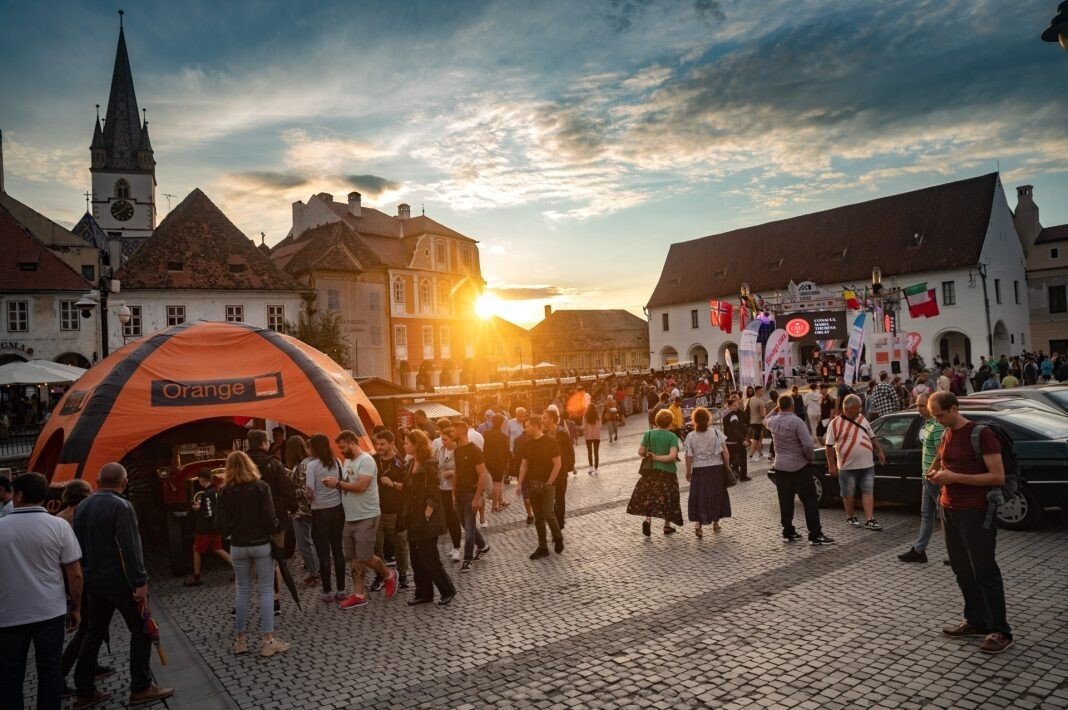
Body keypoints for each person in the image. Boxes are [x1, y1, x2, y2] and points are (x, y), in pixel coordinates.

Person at [73, 463, 173, 706]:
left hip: (94, 580)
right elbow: (131, 547)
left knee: (93, 633)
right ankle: (141, 686)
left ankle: (84, 690)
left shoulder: (83, 506)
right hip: (121, 582)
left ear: (98, 482)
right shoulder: (122, 506)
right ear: (125, 483)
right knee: (141, 630)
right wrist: (140, 582)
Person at [926, 391, 1013, 654]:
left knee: (985, 570)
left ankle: (1001, 631)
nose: (937, 420)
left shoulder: (981, 435)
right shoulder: (946, 434)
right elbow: (942, 464)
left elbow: (997, 476)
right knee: (961, 569)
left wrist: (954, 477)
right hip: (949, 509)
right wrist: (935, 473)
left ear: (954, 408)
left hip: (976, 512)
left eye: (940, 415)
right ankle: (976, 620)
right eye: (933, 416)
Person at [0, 472, 84, 710]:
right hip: (49, 611)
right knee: (49, 670)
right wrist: (76, 607)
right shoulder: (59, 525)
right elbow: (75, 574)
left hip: (8, 613)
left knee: (9, 675)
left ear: (18, 495)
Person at [216, 451, 289, 657]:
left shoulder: (224, 492)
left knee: (242, 590)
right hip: (261, 543)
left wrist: (231, 532)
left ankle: (241, 641)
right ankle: (268, 641)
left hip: (238, 545)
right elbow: (269, 518)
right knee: (266, 590)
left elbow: (220, 524)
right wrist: (275, 527)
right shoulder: (261, 487)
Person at [323, 430, 397, 608]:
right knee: (354, 557)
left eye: (343, 448)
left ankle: (389, 575)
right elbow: (348, 483)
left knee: (364, 556)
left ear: (352, 443)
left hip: (367, 515)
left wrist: (337, 484)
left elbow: (362, 486)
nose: (341, 451)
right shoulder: (348, 461)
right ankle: (359, 594)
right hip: (350, 516)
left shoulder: (366, 461)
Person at [764, 397, 833, 545]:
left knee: (785, 501)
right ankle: (815, 534)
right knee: (810, 500)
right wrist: (810, 458)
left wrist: (776, 409)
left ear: (779, 406)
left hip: (780, 466)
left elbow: (765, 419)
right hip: (799, 466)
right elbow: (807, 444)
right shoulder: (797, 422)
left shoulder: (773, 422)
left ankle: (788, 531)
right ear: (793, 406)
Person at [401, 430, 455, 605]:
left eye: (407, 443)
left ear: (416, 444)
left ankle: (447, 590)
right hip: (413, 517)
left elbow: (434, 494)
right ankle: (424, 593)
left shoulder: (429, 465)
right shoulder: (410, 463)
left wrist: (427, 515)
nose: (404, 445)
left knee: (429, 558)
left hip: (425, 519)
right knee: (416, 559)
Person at [246, 429, 296, 616]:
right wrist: (292, 507)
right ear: (263, 443)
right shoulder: (273, 463)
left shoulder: (241, 463)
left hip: (249, 519)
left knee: (250, 561)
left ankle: (244, 599)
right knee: (275, 559)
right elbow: (286, 489)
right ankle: (274, 600)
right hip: (274, 516)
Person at [824, 394, 886, 531]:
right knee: (848, 493)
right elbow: (828, 446)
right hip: (847, 466)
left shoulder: (862, 419)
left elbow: (872, 436)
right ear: (846, 409)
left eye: (860, 408)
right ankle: (851, 517)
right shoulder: (835, 423)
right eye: (856, 408)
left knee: (868, 491)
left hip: (867, 464)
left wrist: (879, 451)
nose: (859, 411)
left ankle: (870, 519)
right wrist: (831, 465)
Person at [899, 393, 946, 563]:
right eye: (917, 405)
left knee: (946, 516)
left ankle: (957, 552)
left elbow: (941, 455)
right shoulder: (927, 425)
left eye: (922, 405)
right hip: (927, 477)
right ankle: (919, 550)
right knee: (927, 514)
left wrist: (932, 472)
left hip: (935, 478)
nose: (918, 408)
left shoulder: (937, 426)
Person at [628, 409, 684, 536]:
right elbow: (672, 456)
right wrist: (658, 457)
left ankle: (648, 520)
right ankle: (667, 525)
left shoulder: (648, 434)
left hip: (651, 472)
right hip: (667, 472)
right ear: (670, 422)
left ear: (657, 421)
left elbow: (641, 452)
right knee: (668, 498)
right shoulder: (672, 437)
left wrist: (651, 456)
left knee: (649, 496)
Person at [305, 433, 347, 602]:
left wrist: (306, 496)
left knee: (323, 552)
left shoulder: (311, 466)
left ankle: (327, 591)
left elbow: (310, 491)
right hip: (337, 510)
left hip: (320, 511)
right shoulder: (336, 462)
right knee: (338, 550)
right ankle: (341, 589)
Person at [519, 415, 564, 559]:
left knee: (548, 513)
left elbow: (557, 464)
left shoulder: (551, 442)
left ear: (535, 426)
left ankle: (558, 537)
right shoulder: (527, 444)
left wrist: (549, 482)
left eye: (527, 426)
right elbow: (524, 464)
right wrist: (519, 483)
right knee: (538, 517)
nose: (525, 429)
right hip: (533, 485)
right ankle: (543, 547)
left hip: (548, 485)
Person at [683, 407, 731, 538]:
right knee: (716, 495)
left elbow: (688, 456)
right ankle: (716, 522)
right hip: (716, 468)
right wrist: (727, 467)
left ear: (694, 420)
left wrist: (688, 471)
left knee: (699, 496)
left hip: (699, 469)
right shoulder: (716, 433)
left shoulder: (691, 436)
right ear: (708, 419)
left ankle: (698, 524)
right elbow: (726, 453)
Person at [449, 422, 490, 573]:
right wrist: (453, 493)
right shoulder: (457, 450)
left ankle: (467, 560)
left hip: (470, 494)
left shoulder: (475, 451)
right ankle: (482, 546)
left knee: (469, 528)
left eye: (453, 430)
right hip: (459, 494)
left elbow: (482, 475)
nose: (451, 433)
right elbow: (457, 473)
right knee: (466, 525)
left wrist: (477, 497)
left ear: (461, 431)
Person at [372, 430, 410, 590]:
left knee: (400, 545)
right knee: (377, 546)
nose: (379, 447)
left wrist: (392, 484)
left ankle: (402, 575)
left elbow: (408, 487)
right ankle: (381, 575)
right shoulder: (373, 460)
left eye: (382, 444)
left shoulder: (400, 462)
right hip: (375, 511)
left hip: (395, 512)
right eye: (377, 443)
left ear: (392, 443)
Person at [183, 469, 233, 586]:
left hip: (206, 528)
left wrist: (198, 509)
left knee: (196, 549)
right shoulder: (215, 491)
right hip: (215, 526)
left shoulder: (207, 494)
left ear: (201, 479)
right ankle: (239, 568)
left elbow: (209, 513)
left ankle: (196, 577)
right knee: (217, 549)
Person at [285, 436, 319, 587]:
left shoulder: (303, 464)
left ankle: (314, 574)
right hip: (308, 509)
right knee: (309, 542)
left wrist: (289, 492)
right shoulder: (306, 462)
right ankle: (316, 570)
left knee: (304, 544)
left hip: (302, 509)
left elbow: (305, 489)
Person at [436, 428, 463, 561]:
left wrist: (452, 472)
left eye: (446, 440)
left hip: (453, 489)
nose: (443, 442)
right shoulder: (441, 450)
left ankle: (457, 547)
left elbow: (462, 469)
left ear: (453, 439)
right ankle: (454, 545)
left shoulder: (458, 451)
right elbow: (438, 466)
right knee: (447, 518)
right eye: (442, 439)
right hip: (442, 488)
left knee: (454, 519)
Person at [544, 408, 574, 529]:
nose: (542, 420)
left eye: (544, 418)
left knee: (560, 498)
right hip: (547, 471)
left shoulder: (562, 433)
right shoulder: (544, 434)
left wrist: (569, 466)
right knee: (549, 499)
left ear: (551, 419)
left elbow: (570, 450)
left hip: (561, 471)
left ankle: (559, 523)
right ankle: (555, 520)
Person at [483, 413, 510, 513]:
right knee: (497, 484)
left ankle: (501, 501)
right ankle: (494, 506)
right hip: (498, 462)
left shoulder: (487, 433)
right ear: (502, 423)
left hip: (488, 461)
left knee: (498, 483)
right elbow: (506, 451)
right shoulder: (502, 436)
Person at [721, 396, 750, 482]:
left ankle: (724, 477)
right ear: (729, 406)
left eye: (737, 405)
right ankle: (743, 476)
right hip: (736, 441)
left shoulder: (725, 413)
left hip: (728, 440)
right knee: (743, 458)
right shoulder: (733, 416)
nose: (737, 407)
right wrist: (743, 440)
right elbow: (735, 430)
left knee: (730, 460)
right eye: (734, 405)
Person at [746, 386, 767, 461]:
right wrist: (765, 411)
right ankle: (750, 456)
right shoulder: (760, 401)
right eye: (761, 391)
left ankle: (760, 454)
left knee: (757, 438)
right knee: (755, 438)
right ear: (757, 391)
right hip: (758, 422)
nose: (763, 392)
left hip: (752, 421)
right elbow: (762, 415)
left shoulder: (751, 399)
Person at [583, 404, 602, 475]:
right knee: (596, 452)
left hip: (588, 437)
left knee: (589, 452)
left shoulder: (585, 417)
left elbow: (584, 427)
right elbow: (601, 426)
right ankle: (596, 468)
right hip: (596, 436)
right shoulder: (598, 416)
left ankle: (591, 467)